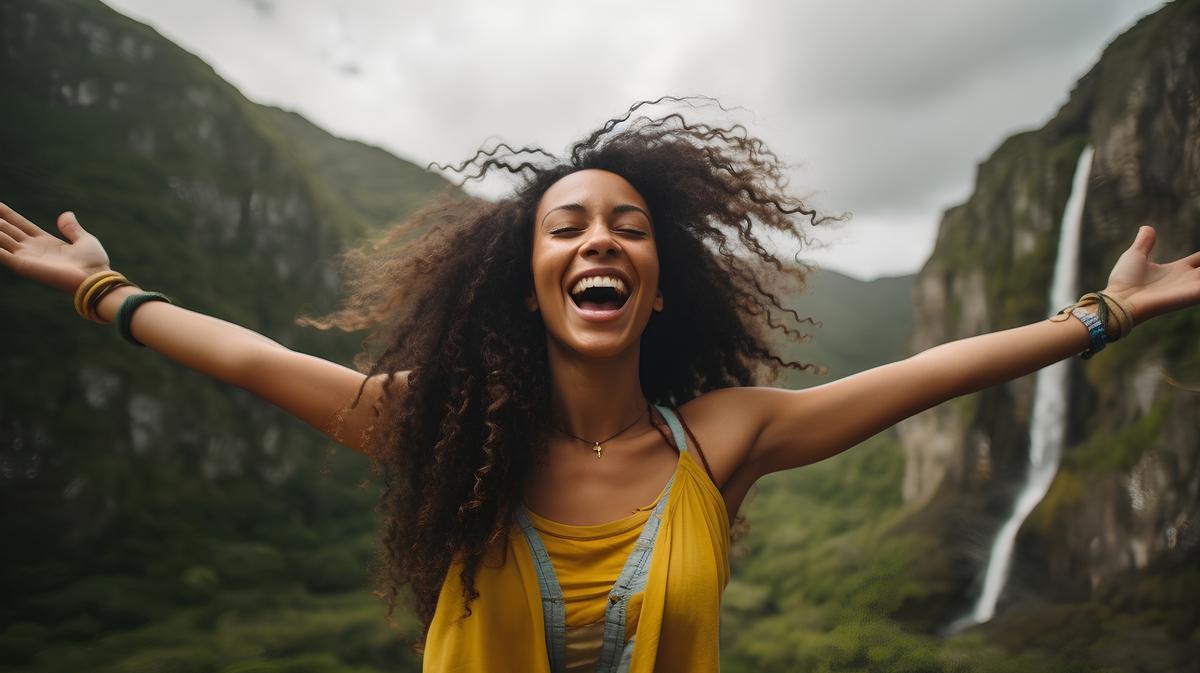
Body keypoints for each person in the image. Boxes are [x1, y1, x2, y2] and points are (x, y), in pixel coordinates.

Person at [1, 99, 1197, 673]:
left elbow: (926, 373)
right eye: (567, 227)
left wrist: (1102, 314)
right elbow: (259, 358)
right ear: (529, 283)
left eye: (629, 227)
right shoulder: (450, 430)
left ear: (658, 286)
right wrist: (104, 290)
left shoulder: (719, 441)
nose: (601, 242)